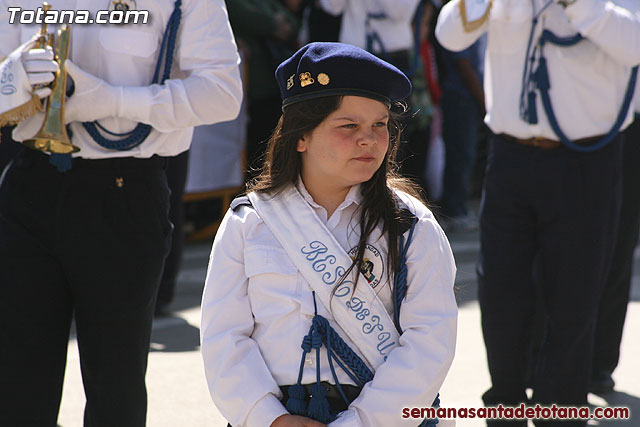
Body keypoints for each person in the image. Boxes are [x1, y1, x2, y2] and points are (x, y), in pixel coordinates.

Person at [0, 1, 242, 426]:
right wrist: (10, 77)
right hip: (29, 184)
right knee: (17, 386)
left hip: (123, 191)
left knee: (116, 389)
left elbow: (222, 93)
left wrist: (113, 101)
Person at [200, 42, 458, 426]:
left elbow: (429, 343)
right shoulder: (249, 222)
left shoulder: (411, 225)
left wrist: (358, 422)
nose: (369, 139)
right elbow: (224, 339)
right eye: (349, 126)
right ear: (300, 136)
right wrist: (269, 418)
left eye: (380, 125)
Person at [436, 0, 640, 425]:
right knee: (500, 288)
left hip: (587, 159)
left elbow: (634, 43)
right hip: (511, 154)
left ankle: (560, 408)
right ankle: (506, 400)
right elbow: (449, 34)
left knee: (575, 293)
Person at [436, 33, 486, 233]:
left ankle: (458, 208)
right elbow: (463, 63)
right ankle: (454, 211)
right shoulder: (464, 14)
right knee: (461, 153)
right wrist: (484, 100)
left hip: (473, 96)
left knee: (466, 153)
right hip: (460, 96)